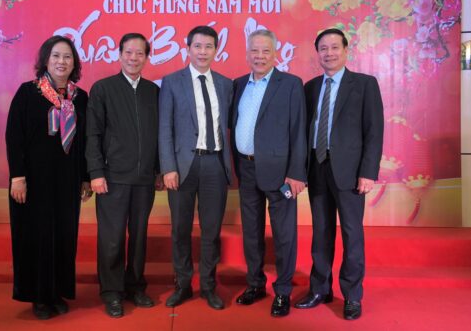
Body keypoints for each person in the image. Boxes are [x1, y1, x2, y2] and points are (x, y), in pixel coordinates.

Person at [294, 28, 384, 320]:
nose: (329, 53)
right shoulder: (310, 87)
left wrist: (368, 172)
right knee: (320, 232)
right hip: (317, 167)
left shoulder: (365, 84)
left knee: (351, 233)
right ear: (317, 53)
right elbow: (304, 130)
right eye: (323, 48)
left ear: (346, 50)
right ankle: (320, 289)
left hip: (350, 172)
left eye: (334, 47)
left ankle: (352, 295)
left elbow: (374, 132)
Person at [6, 35, 91, 320]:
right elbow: (14, 137)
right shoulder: (28, 93)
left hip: (67, 181)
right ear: (45, 60)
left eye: (67, 57)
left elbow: (85, 142)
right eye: (56, 56)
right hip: (34, 181)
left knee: (63, 236)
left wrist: (85, 178)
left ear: (74, 63)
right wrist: (18, 176)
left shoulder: (80, 98)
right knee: (38, 236)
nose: (61, 62)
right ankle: (39, 297)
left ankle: (56, 292)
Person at [231, 29, 307, 317]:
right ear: (247, 53)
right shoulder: (239, 84)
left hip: (280, 173)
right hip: (246, 168)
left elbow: (298, 130)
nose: (260, 56)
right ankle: (255, 284)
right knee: (251, 232)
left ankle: (283, 291)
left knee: (284, 234)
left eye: (266, 51)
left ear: (275, 53)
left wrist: (296, 173)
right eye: (255, 51)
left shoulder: (290, 84)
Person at [86, 33, 160, 318]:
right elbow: (93, 134)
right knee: (112, 238)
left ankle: (135, 286)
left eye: (140, 53)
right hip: (112, 177)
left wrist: (158, 170)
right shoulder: (103, 89)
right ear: (119, 54)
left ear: (147, 57)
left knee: (139, 237)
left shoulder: (153, 91)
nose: (133, 58)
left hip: (144, 180)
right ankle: (112, 292)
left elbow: (159, 135)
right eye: (129, 52)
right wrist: (96, 172)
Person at [158, 25, 233, 310]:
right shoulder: (172, 82)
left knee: (211, 231)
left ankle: (209, 287)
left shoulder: (226, 84)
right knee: (180, 229)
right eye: (197, 46)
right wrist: (168, 167)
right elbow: (164, 128)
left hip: (215, 164)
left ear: (216, 50)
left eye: (208, 46)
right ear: (188, 48)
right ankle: (183, 284)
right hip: (181, 166)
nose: (203, 52)